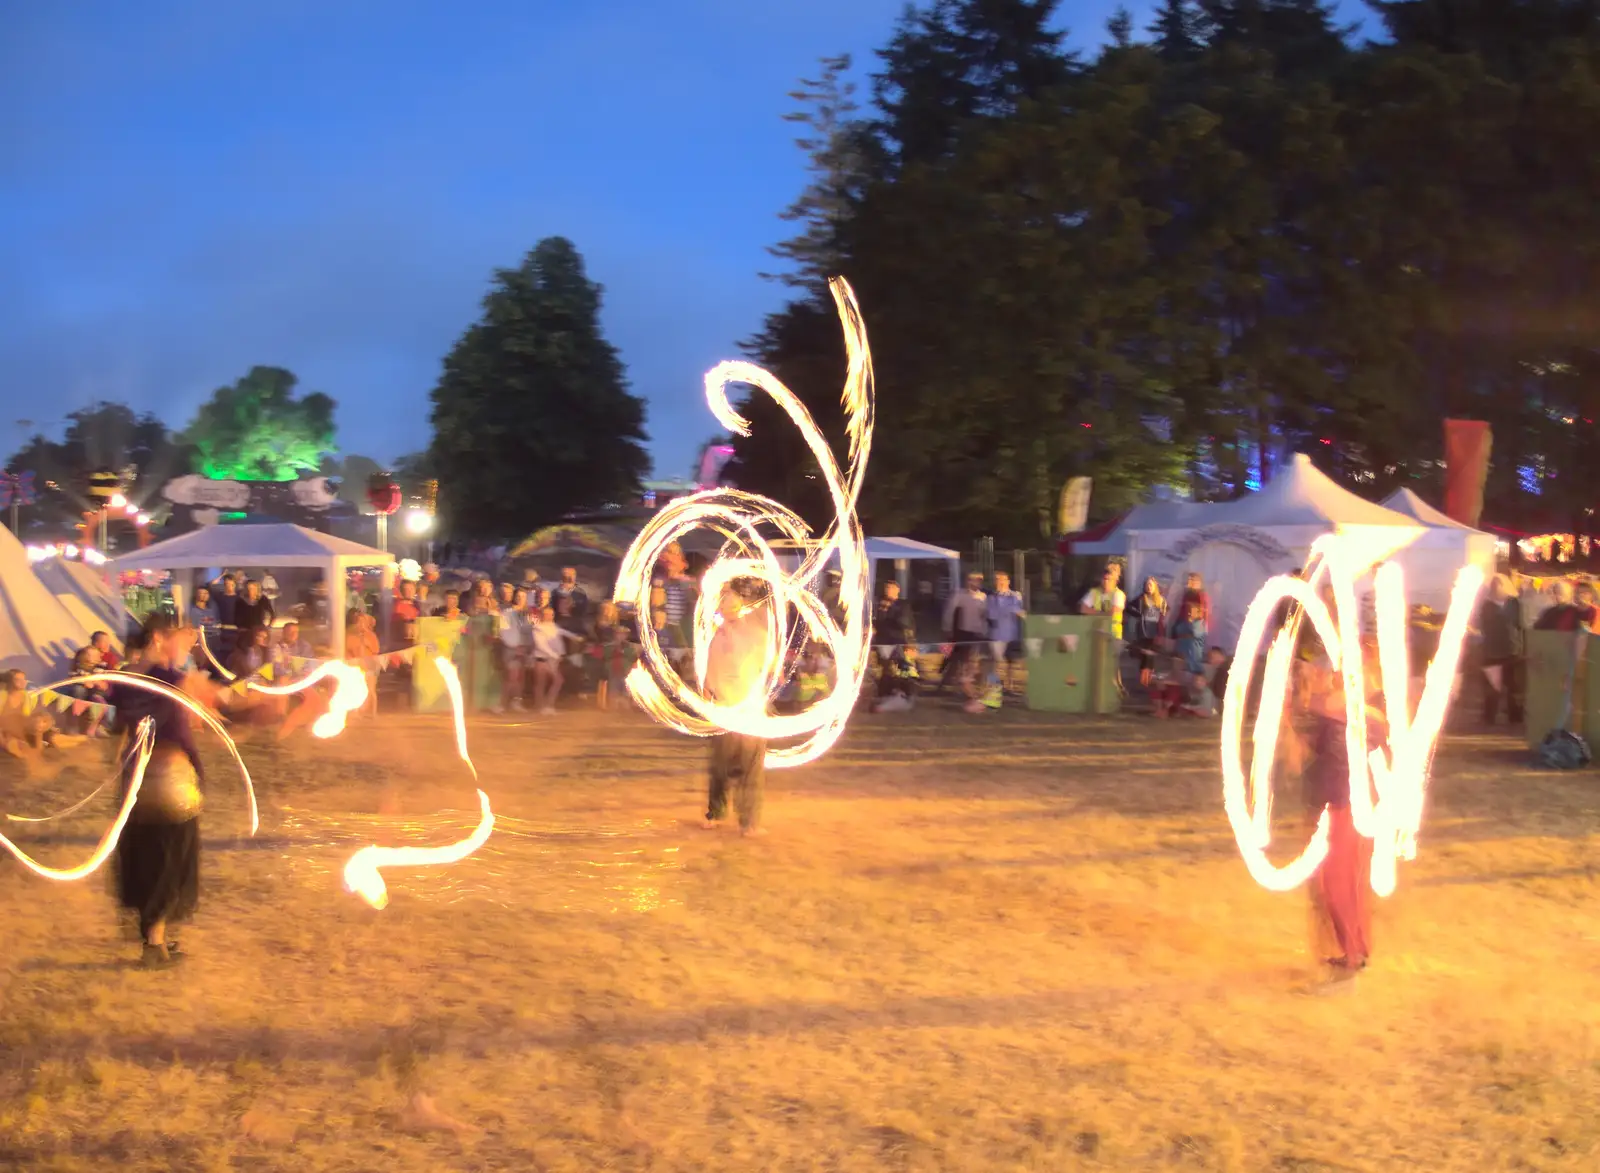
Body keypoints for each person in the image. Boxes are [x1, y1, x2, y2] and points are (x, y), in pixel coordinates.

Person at [106, 615, 210, 968]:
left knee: (150, 858)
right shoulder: (170, 680)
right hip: (170, 782)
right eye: (179, 639)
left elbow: (120, 724)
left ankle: (155, 937)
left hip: (138, 781)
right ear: (157, 638)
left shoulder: (123, 679)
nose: (185, 647)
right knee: (169, 860)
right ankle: (154, 944)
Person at [1288, 659, 1386, 991]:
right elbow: (1301, 756)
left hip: (1350, 802)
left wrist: (1304, 690)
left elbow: (1337, 707)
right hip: (1336, 801)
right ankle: (1355, 951)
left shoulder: (1358, 706)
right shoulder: (1332, 710)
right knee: (1344, 882)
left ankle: (1353, 959)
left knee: (1338, 882)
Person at [701, 585, 772, 835]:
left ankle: (715, 815)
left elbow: (707, 682)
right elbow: (771, 665)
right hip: (746, 712)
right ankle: (748, 823)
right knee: (750, 768)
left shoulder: (717, 638)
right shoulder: (754, 634)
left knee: (721, 764)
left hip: (726, 710)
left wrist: (710, 699)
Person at [986, 571, 1026, 694]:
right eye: (997, 579)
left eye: (1002, 579)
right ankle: (994, 687)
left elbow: (1020, 611)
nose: (999, 582)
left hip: (1012, 634)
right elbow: (991, 614)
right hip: (996, 635)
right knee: (997, 663)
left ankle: (1010, 686)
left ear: (1008, 581)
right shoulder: (991, 597)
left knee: (1011, 663)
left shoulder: (1015, 596)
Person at [1130, 576, 1168, 689]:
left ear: (1155, 586)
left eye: (1151, 584)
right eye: (1147, 585)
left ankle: (1149, 678)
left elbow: (1163, 616)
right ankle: (1143, 678)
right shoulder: (1142, 598)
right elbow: (1129, 607)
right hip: (1143, 628)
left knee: (1151, 653)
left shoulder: (1161, 600)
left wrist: (1161, 633)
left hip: (1155, 628)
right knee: (1144, 652)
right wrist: (1138, 614)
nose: (1149, 587)